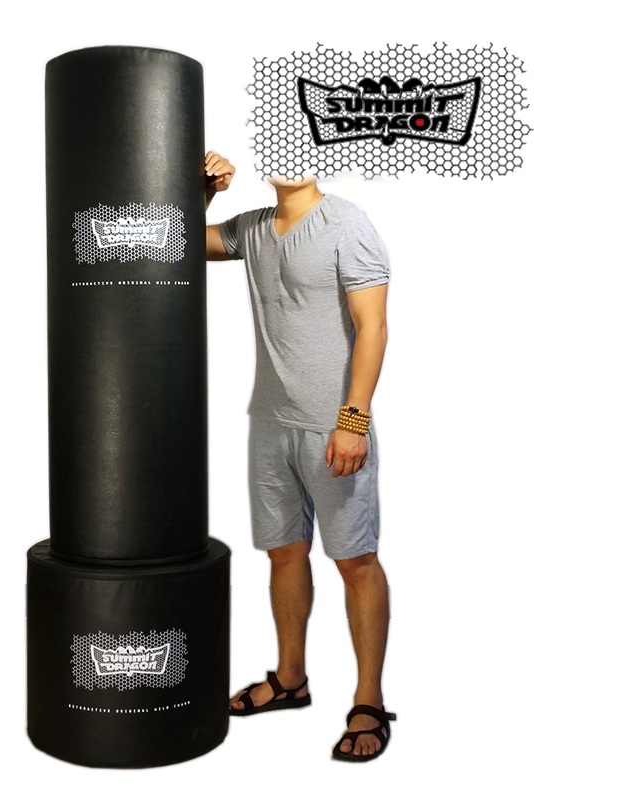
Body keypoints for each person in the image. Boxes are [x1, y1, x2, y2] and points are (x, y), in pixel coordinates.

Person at [204, 151, 397, 762]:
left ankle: (368, 700)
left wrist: (353, 420)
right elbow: (180, 244)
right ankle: (290, 680)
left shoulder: (347, 223)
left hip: (333, 426)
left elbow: (373, 327)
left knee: (355, 560)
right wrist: (205, 190)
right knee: (284, 554)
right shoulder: (253, 227)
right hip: (270, 422)